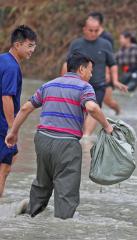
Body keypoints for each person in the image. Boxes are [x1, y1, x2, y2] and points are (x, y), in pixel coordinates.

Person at [6, 53, 113, 219]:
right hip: (67, 144)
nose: (91, 75)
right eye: (90, 70)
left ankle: (29, 211)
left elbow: (26, 108)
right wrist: (107, 126)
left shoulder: (48, 85)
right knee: (66, 192)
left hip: (42, 140)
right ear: (81, 69)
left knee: (42, 184)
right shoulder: (84, 87)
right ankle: (62, 228)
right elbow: (92, 108)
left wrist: (13, 132)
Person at [61, 16, 126, 136]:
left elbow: (112, 64)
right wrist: (63, 81)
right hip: (78, 85)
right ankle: (79, 134)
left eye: (96, 31)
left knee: (94, 108)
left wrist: (115, 81)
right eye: (91, 30)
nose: (93, 33)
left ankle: (86, 136)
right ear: (85, 29)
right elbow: (67, 63)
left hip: (98, 85)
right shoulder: (76, 44)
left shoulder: (105, 44)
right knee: (79, 110)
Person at [0, 25, 37, 197]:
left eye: (34, 46)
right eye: (29, 45)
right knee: (3, 170)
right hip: (2, 126)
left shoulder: (2, 60)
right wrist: (11, 128)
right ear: (17, 44)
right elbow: (6, 97)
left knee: (12, 156)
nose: (32, 50)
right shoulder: (12, 67)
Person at [87, 12, 121, 115]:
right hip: (92, 72)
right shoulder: (89, 35)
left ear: (97, 22)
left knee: (107, 100)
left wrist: (107, 73)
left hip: (105, 72)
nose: (87, 22)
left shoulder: (106, 37)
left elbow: (109, 57)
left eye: (90, 20)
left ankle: (118, 112)